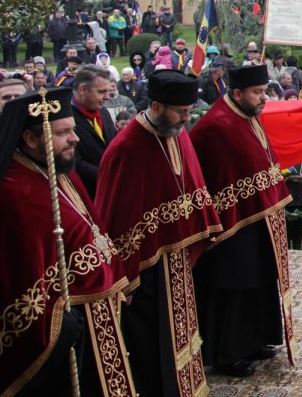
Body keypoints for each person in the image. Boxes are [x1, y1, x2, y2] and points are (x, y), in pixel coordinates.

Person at [0, 88, 136, 396]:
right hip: (63, 326)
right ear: (31, 139)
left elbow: (91, 226)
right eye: (63, 132)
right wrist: (60, 322)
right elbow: (23, 273)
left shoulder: (59, 170)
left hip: (95, 311)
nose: (74, 138)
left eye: (73, 129)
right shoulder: (13, 192)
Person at [94, 69, 222, 396]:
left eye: (189, 111)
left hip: (176, 258)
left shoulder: (175, 131)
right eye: (181, 112)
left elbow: (190, 183)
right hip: (144, 267)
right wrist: (122, 273)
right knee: (150, 338)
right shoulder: (127, 148)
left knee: (179, 331)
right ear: (155, 105)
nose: (186, 118)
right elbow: (114, 217)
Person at [190, 63, 294, 376]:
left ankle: (256, 339)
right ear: (237, 93)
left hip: (257, 218)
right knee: (236, 286)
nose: (264, 98)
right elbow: (217, 178)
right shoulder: (217, 125)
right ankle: (228, 353)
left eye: (264, 91)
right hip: (231, 227)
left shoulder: (247, 115)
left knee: (260, 281)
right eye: (257, 93)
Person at [70, 64, 118, 197]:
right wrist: (109, 176)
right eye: (102, 92)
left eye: (109, 91)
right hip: (85, 194)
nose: (107, 97)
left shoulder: (103, 112)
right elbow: (73, 162)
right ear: (82, 89)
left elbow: (114, 144)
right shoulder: (65, 118)